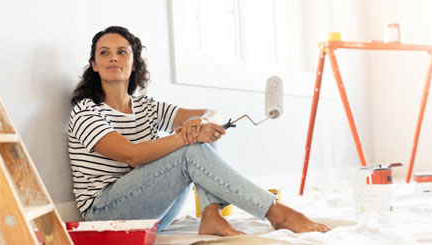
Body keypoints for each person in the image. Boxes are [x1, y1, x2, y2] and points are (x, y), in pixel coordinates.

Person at [68, 25, 331, 236]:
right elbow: (132, 155)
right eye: (104, 53)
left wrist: (202, 124)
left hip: (153, 216)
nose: (113, 57)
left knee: (196, 139)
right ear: (94, 64)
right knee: (188, 147)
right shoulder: (86, 112)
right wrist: (185, 135)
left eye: (122, 52)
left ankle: (211, 213)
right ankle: (277, 213)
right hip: (105, 217)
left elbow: (210, 112)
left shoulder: (146, 106)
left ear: (134, 63)